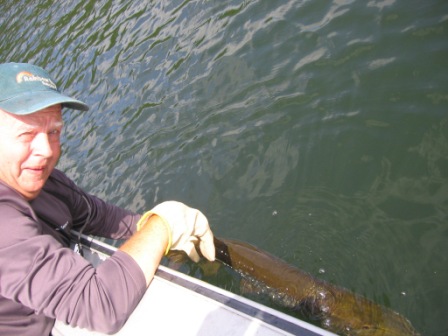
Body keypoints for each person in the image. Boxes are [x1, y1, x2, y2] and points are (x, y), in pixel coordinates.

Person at [0, 62, 216, 335]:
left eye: (54, 131)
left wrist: (154, 228)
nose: (46, 150)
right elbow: (101, 306)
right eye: (26, 133)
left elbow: (98, 216)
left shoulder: (43, 179)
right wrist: (162, 226)